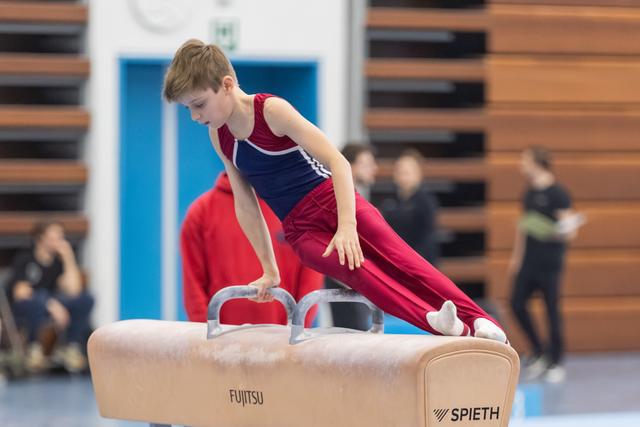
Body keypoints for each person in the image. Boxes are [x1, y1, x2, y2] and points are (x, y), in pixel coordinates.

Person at [163, 39, 507, 344]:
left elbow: (339, 162)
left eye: (198, 104)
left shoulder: (271, 111)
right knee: (359, 274)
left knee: (403, 262)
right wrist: (269, 269)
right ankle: (446, 326)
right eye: (188, 109)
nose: (194, 116)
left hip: (332, 199)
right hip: (300, 228)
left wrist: (347, 227)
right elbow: (246, 202)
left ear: (226, 85)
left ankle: (480, 321)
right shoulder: (219, 135)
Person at [181, 172, 323, 326]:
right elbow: (193, 286)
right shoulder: (201, 212)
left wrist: (294, 331)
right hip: (221, 339)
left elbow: (310, 282)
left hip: (282, 338)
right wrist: (207, 336)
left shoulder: (298, 210)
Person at [508, 147, 581, 383]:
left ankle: (556, 360)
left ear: (537, 163)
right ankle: (539, 350)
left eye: (524, 160)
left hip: (550, 263)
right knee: (516, 303)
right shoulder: (528, 193)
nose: (521, 164)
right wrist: (516, 258)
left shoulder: (559, 193)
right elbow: (523, 227)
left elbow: (570, 231)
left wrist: (555, 232)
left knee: (551, 310)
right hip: (529, 261)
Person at [6, 221, 94, 373]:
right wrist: (50, 304)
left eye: (61, 236)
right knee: (35, 303)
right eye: (55, 236)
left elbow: (74, 290)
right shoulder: (26, 258)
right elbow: (21, 292)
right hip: (28, 308)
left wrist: (68, 258)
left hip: (53, 307)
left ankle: (71, 348)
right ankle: (35, 350)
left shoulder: (58, 262)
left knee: (85, 300)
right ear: (41, 238)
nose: (59, 240)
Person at [324, 143, 378, 331]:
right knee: (352, 333)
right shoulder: (338, 198)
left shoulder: (357, 197)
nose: (374, 169)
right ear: (351, 167)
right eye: (367, 164)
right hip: (343, 276)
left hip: (351, 277)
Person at [382, 149, 440, 266]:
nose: (402, 175)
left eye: (407, 171)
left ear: (418, 173)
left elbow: (425, 238)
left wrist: (414, 262)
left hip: (418, 261)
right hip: (395, 258)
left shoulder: (425, 202)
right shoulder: (390, 200)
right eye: (399, 171)